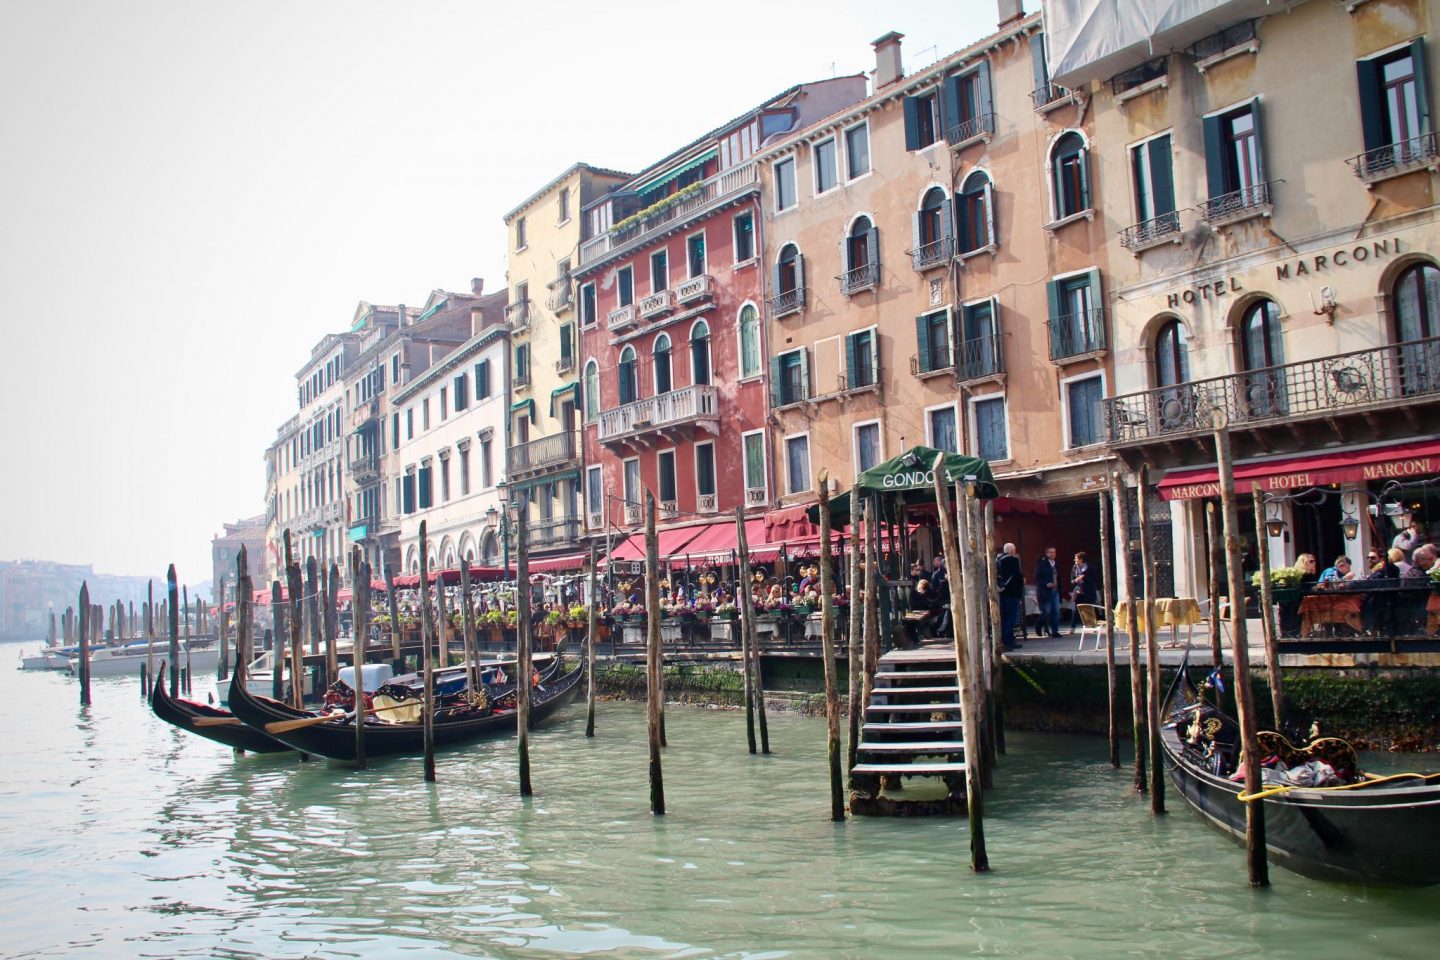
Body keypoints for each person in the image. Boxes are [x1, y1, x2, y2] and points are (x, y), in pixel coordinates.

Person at [996, 543, 1025, 651]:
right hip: (1012, 593)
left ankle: (1004, 639)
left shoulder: (997, 560)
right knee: (1011, 618)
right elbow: (1018, 576)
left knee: (1004, 618)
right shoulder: (1013, 560)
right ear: (1012, 551)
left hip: (1002, 592)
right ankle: (1009, 641)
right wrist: (1022, 582)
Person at [1034, 546, 1061, 638]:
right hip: (1045, 591)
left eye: (1054, 552)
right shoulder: (1042, 564)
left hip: (1055, 590)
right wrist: (1046, 584)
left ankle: (1055, 631)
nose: (1052, 554)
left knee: (1056, 611)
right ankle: (1038, 625)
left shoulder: (1056, 564)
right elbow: (1037, 578)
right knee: (1047, 611)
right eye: (1050, 552)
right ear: (1046, 553)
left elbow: (1059, 577)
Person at [1068, 551, 1098, 634]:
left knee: (1090, 609)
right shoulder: (1074, 567)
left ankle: (1093, 626)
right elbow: (1071, 580)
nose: (1075, 560)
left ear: (1081, 559)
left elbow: (1094, 579)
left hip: (1088, 591)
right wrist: (1075, 580)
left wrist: (1084, 578)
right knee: (1075, 609)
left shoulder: (1091, 567)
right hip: (1078, 591)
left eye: (1076, 559)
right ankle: (1072, 628)